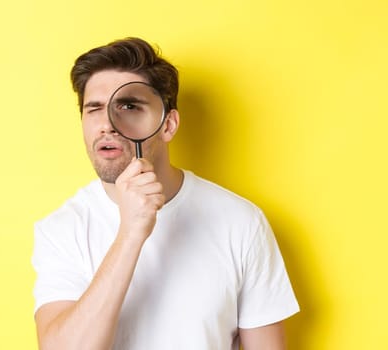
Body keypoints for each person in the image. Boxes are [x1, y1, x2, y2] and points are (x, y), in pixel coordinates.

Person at [31, 37, 299, 350]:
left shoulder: (241, 222)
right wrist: (130, 234)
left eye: (129, 106)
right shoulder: (61, 230)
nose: (107, 124)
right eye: (94, 109)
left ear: (168, 125)